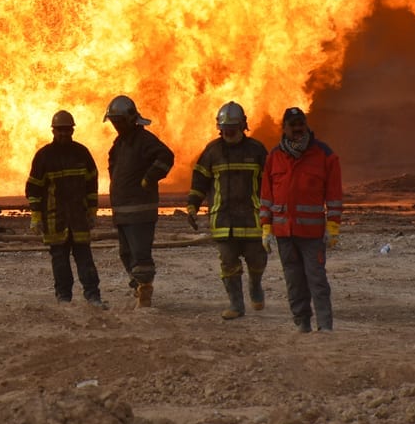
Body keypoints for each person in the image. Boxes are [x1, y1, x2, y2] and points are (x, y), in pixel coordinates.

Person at [260, 107, 344, 333]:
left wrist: (333, 226)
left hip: (312, 234)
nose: (298, 130)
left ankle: (325, 327)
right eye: (293, 125)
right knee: (294, 282)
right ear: (284, 128)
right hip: (284, 233)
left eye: (301, 125)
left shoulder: (324, 155)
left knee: (317, 280)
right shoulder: (274, 156)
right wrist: (266, 228)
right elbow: (266, 196)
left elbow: (334, 194)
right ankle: (302, 323)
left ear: (306, 125)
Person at [186, 101, 269, 320]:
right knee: (228, 262)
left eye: (233, 127)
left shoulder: (257, 150)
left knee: (257, 259)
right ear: (219, 127)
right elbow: (200, 180)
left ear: (243, 125)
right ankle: (236, 305)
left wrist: (273, 211)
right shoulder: (212, 151)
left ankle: (255, 285)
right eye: (225, 128)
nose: (228, 131)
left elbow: (270, 184)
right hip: (223, 219)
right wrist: (192, 205)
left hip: (252, 218)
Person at [25, 110, 104, 306]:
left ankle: (93, 296)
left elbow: (92, 184)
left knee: (85, 259)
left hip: (79, 218)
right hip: (54, 219)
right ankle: (64, 298)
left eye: (67, 130)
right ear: (53, 130)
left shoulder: (82, 153)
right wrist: (36, 216)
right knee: (59, 260)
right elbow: (33, 188)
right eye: (60, 130)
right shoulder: (44, 156)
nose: (64, 134)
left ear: (72, 130)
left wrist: (92, 212)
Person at [105, 95, 174, 307]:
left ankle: (145, 290)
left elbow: (166, 157)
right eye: (114, 122)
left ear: (130, 119)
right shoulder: (120, 143)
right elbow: (114, 168)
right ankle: (138, 286)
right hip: (123, 210)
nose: (116, 125)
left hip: (141, 210)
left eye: (119, 121)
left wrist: (149, 178)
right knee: (126, 253)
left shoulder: (144, 140)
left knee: (140, 252)